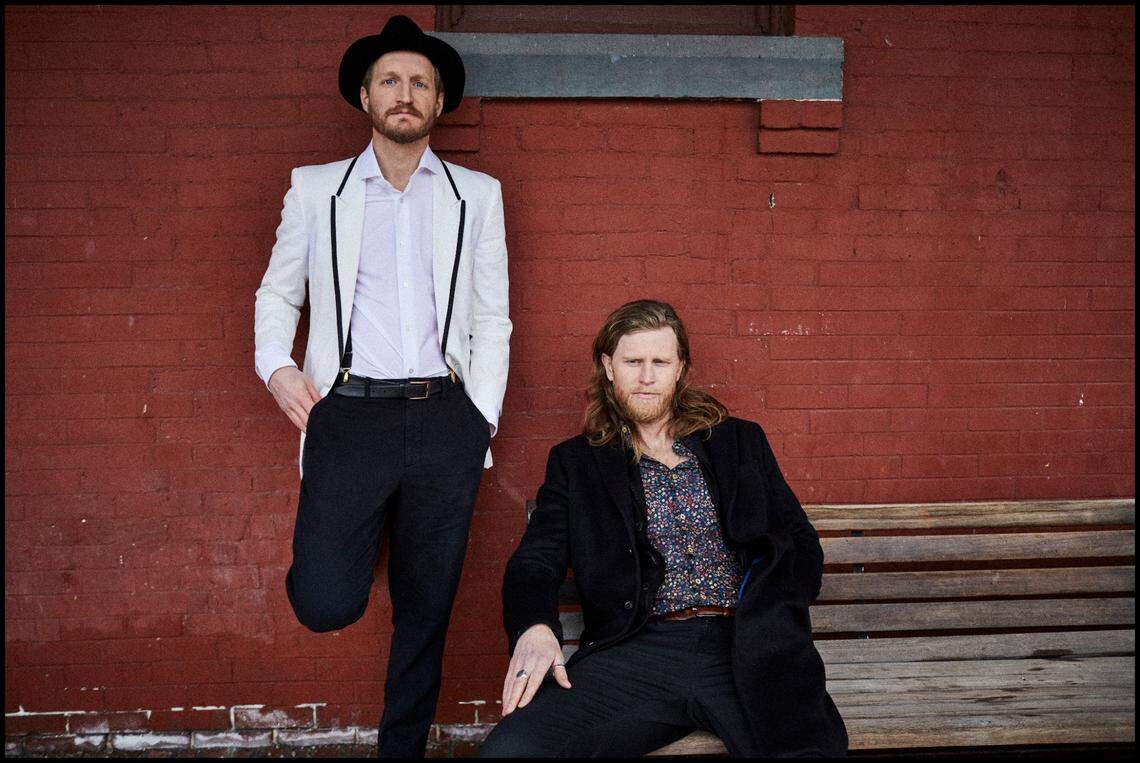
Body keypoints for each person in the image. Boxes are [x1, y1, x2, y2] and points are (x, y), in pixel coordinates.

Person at [252, 15, 510, 758]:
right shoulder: (317, 190)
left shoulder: (476, 197)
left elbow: (493, 316)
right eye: (391, 81)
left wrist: (479, 419)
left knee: (426, 610)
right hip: (349, 416)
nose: (406, 94)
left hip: (445, 419)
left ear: (438, 101)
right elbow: (279, 294)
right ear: (365, 96)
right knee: (326, 601)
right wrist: (278, 367)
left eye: (420, 83)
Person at [481, 300, 846, 758]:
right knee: (512, 751)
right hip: (639, 650)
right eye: (633, 362)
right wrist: (534, 627)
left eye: (660, 362)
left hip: (746, 646)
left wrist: (773, 616)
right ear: (608, 367)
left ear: (681, 370)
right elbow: (537, 559)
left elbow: (801, 544)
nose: (647, 377)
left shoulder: (740, 442)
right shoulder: (577, 463)